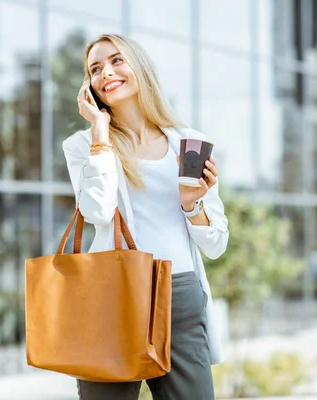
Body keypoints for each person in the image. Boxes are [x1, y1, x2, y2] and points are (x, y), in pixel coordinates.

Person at [63, 33, 229, 400]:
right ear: (88, 87)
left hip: (180, 296)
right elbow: (97, 211)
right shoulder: (82, 145)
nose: (106, 72)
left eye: (116, 60)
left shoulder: (189, 143)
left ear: (139, 66)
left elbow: (216, 244)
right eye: (95, 69)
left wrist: (192, 203)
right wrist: (100, 135)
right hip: (113, 298)